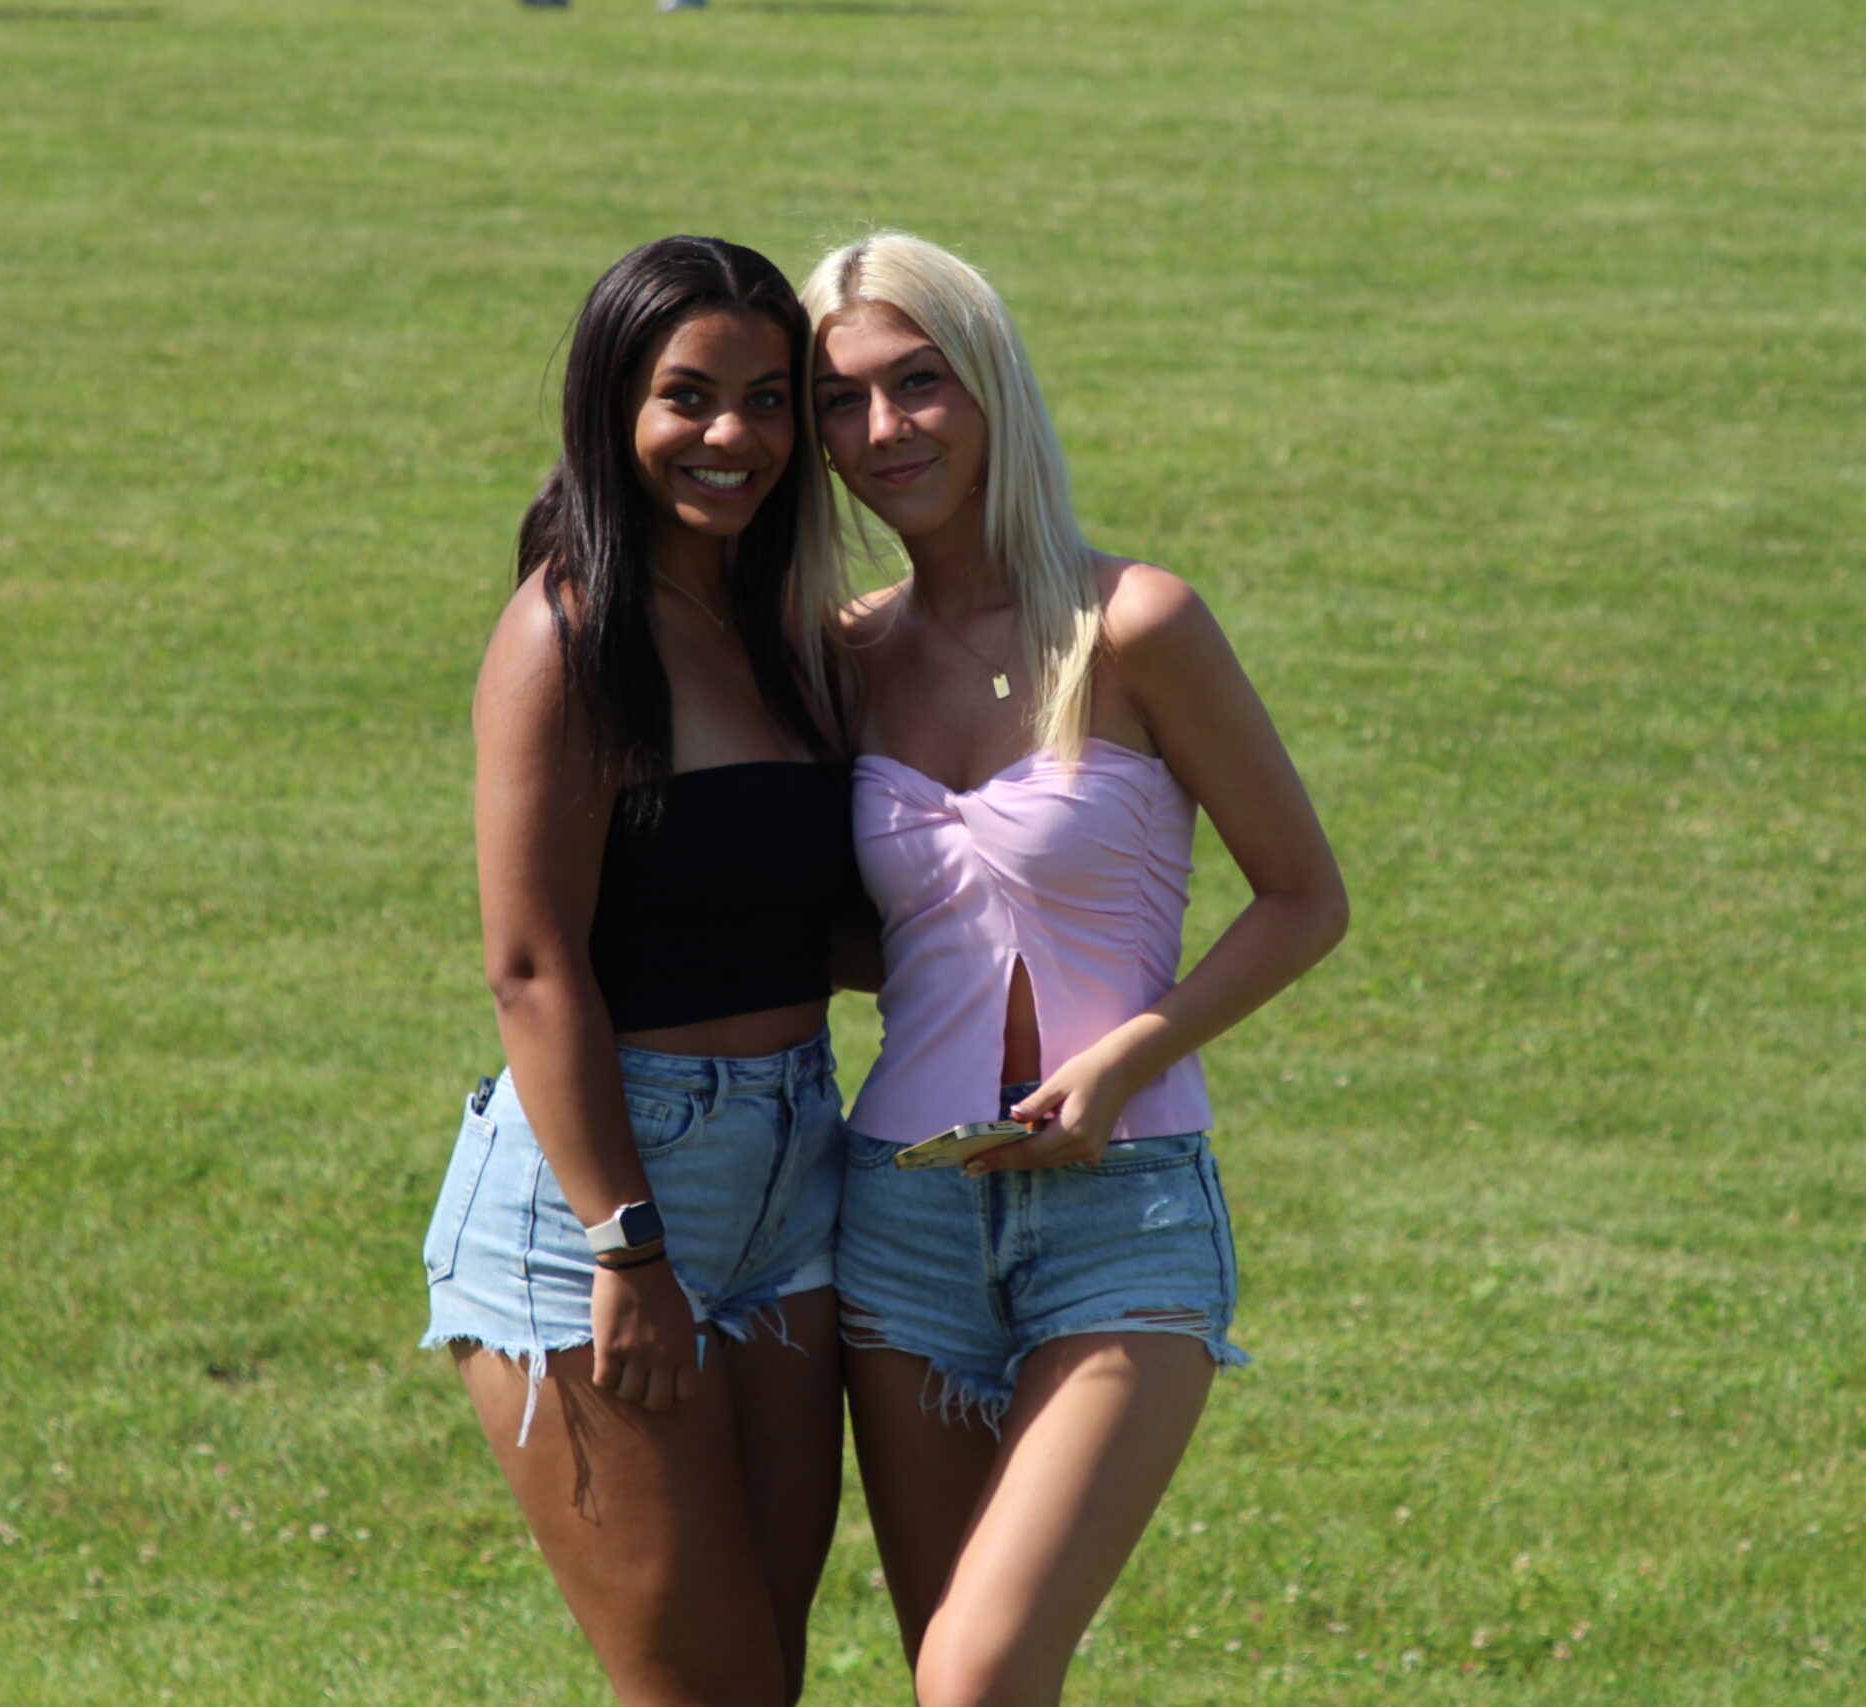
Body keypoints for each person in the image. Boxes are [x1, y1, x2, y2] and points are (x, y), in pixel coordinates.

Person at [798, 232, 1349, 1707]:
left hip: (1126, 1209)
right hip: (902, 1210)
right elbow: (853, 930)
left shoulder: (1136, 622)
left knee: (973, 1676)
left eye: (920, 384)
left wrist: (1120, 1062)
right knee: (963, 1680)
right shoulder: (848, 656)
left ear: (991, 386)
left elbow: (1304, 899)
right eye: (841, 401)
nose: (882, 430)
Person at [419, 234, 858, 1707]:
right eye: (688, 396)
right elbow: (534, 969)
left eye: (771, 397)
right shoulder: (568, 632)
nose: (734, 436)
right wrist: (631, 1247)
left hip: (797, 1176)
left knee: (760, 1679)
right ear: (614, 410)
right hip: (598, 1211)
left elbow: (810, 914)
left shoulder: (775, 625)